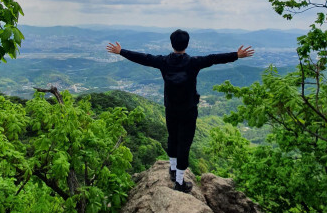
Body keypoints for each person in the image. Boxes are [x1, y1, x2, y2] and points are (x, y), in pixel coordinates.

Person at [106, 29, 254, 193]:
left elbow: (144, 58)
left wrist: (121, 51)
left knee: (173, 138)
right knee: (184, 143)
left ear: (172, 44)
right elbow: (214, 59)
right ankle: (179, 182)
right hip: (188, 109)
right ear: (187, 44)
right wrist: (236, 55)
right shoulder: (193, 62)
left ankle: (173, 168)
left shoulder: (164, 61)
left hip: (171, 108)